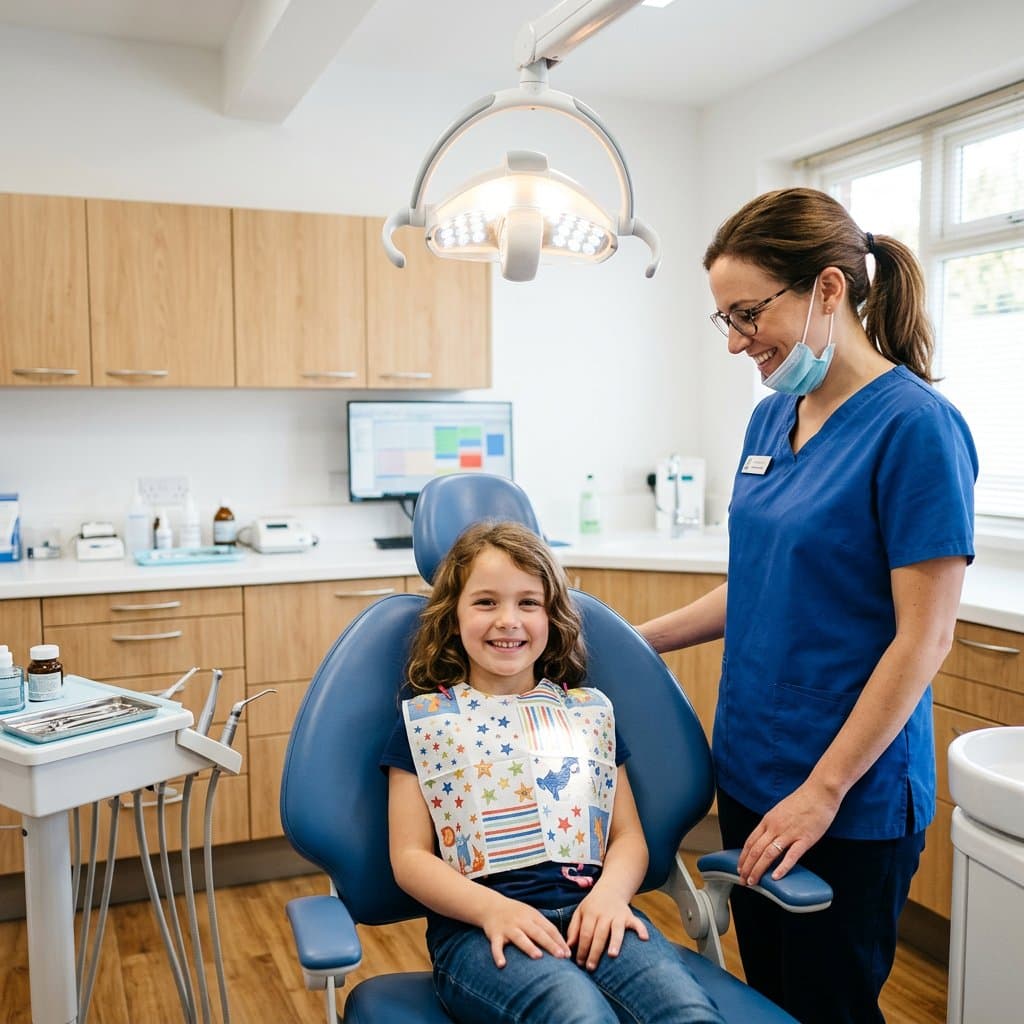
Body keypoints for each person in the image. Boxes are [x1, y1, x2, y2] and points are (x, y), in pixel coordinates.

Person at [639, 187, 978, 1024]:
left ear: (828, 289)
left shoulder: (916, 428)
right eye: (723, 319)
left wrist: (823, 791)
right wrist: (624, 640)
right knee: (767, 1004)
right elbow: (758, 579)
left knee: (827, 1007)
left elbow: (924, 640)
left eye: (748, 313)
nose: (736, 341)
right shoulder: (771, 418)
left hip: (847, 797)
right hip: (753, 769)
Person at [382, 521, 725, 1024]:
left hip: (598, 912)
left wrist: (610, 896)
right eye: (485, 602)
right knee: (578, 1015)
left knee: (688, 1012)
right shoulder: (425, 723)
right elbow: (409, 856)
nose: (508, 620)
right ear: (452, 617)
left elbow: (627, 836)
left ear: (552, 616)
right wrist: (491, 910)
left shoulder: (587, 713)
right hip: (481, 931)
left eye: (528, 602)